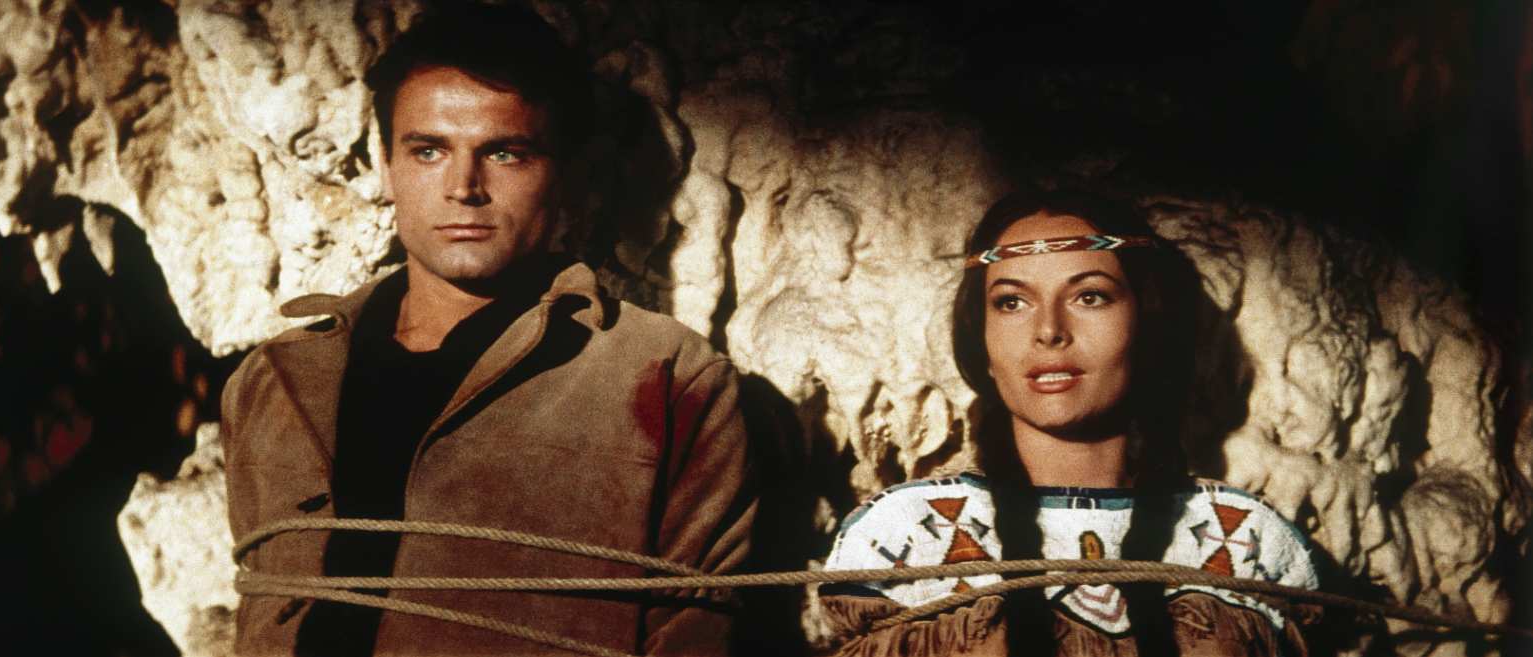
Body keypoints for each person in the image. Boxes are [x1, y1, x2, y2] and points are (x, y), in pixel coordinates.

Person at [219, 5, 753, 655]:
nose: (464, 188)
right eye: (429, 151)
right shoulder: (274, 378)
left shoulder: (667, 376)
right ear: (386, 165)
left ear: (565, 171)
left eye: (505, 153)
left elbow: (696, 635)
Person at [818, 190, 1320, 656]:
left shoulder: (1244, 543)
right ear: (981, 340)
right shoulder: (906, 540)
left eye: (1090, 296)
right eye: (1012, 302)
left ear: (1147, 322)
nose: (1049, 331)